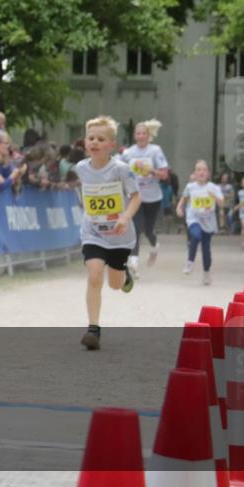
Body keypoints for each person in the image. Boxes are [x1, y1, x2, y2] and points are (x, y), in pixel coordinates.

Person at [76, 116, 141, 351]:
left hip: (119, 235)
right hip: (93, 232)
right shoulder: (81, 168)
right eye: (91, 138)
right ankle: (93, 328)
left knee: (115, 284)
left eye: (100, 139)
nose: (94, 142)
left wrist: (124, 217)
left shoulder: (121, 170)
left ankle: (125, 277)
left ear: (111, 144)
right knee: (94, 275)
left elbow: (135, 197)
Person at [118, 119, 169, 278]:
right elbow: (118, 170)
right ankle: (133, 261)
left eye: (144, 133)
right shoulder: (128, 153)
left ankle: (154, 245)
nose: (141, 136)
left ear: (148, 136)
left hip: (153, 197)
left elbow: (164, 175)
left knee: (148, 230)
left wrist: (149, 170)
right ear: (134, 136)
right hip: (136, 196)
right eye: (138, 133)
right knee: (136, 228)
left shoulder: (155, 151)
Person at [176, 160, 224, 284]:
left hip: (208, 221)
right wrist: (179, 207)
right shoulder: (190, 187)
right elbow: (184, 198)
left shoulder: (213, 187)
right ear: (194, 173)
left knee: (206, 249)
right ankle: (189, 262)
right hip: (194, 218)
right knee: (195, 235)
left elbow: (222, 203)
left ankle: (207, 273)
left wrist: (213, 195)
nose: (201, 172)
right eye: (198, 169)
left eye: (204, 169)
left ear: (208, 173)